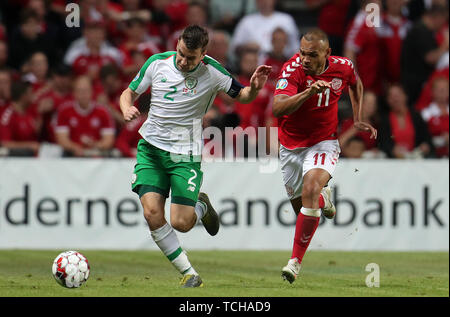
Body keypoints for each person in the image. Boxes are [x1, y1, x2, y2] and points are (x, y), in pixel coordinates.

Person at [119, 25, 271, 288]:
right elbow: (129, 92)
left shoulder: (213, 72)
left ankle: (201, 206)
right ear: (177, 43)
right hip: (151, 149)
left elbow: (243, 96)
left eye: (190, 57)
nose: (183, 61)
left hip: (184, 154)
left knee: (181, 222)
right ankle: (189, 273)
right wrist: (126, 107)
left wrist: (255, 88)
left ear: (203, 54)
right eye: (181, 53)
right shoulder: (157, 63)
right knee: (152, 212)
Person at [272, 28, 377, 283]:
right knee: (304, 207)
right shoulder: (292, 70)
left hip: (324, 142)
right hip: (291, 147)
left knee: (310, 190)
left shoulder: (343, 67)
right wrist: (308, 92)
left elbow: (356, 83)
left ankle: (294, 262)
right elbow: (277, 107)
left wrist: (358, 117)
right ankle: (324, 200)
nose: (305, 59)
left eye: (312, 54)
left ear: (327, 53)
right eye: (302, 53)